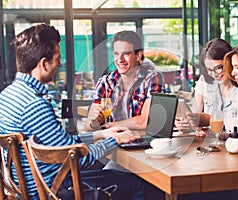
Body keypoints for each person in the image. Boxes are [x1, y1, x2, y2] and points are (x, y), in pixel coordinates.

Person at [0, 24, 144, 199]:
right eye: (57, 58)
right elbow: (77, 160)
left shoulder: (7, 96)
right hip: (53, 190)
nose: (60, 64)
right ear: (44, 64)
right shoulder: (35, 105)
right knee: (136, 183)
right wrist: (115, 141)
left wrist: (102, 135)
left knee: (118, 174)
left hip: (30, 187)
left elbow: (64, 145)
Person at [85, 30, 164, 132]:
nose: (120, 59)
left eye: (126, 53)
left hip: (142, 143)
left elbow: (146, 121)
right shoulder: (105, 82)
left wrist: (111, 125)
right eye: (116, 54)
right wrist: (95, 122)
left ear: (138, 55)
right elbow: (88, 126)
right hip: (115, 143)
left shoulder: (152, 78)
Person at [175, 38, 238, 135]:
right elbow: (195, 116)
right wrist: (185, 123)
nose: (214, 74)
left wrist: (209, 120)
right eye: (209, 70)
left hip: (234, 143)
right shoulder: (205, 82)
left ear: (230, 61)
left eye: (219, 67)